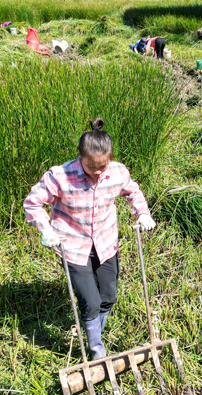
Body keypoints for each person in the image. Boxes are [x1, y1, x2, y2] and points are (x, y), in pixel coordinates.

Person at [23, 118, 156, 361]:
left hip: (105, 242)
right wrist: (46, 229)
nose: (97, 172)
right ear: (79, 157)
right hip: (72, 245)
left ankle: (97, 332)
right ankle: (96, 350)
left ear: (110, 158)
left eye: (102, 166)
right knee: (91, 302)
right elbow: (32, 202)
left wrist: (143, 213)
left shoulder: (118, 172)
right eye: (91, 166)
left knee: (108, 296)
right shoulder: (61, 175)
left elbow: (133, 192)